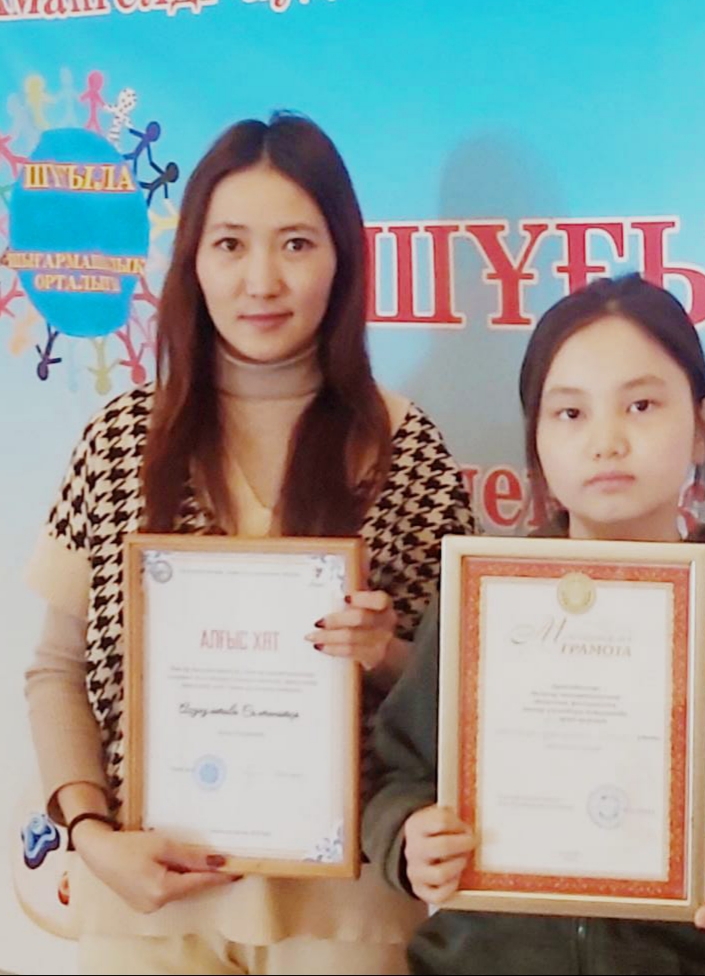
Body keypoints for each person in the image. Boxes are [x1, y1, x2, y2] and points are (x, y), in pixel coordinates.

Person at [24, 111, 475, 975]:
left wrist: (384, 653)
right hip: (149, 904)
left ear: (342, 260)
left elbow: (471, 691)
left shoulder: (404, 447)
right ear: (193, 261)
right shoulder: (121, 442)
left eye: (296, 244)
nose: (261, 280)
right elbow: (57, 668)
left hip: (346, 910)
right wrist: (90, 834)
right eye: (230, 244)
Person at [362, 273, 705, 975]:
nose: (606, 441)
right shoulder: (482, 604)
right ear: (537, 439)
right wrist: (408, 836)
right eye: (570, 413)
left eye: (642, 405)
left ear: (702, 427)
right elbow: (398, 774)